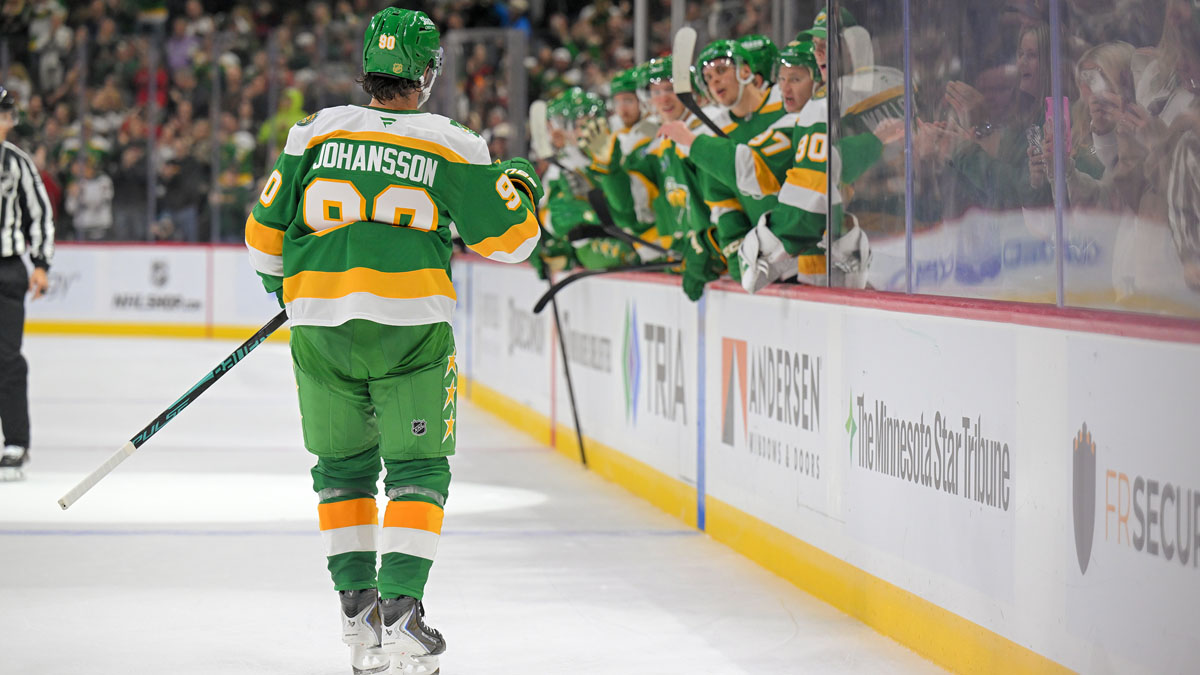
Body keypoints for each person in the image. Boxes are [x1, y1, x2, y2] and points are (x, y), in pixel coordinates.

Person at [243, 9, 542, 675]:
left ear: (368, 68)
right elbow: (515, 241)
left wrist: (287, 293)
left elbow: (262, 241)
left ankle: (358, 619)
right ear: (427, 74)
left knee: (341, 470)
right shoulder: (452, 143)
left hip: (320, 324)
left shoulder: (313, 131)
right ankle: (402, 612)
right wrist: (520, 183)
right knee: (417, 470)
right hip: (410, 326)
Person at [0, 86, 54, 482]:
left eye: (7, 113)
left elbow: (41, 215)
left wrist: (40, 264)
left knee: (7, 358)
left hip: (7, 269)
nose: (6, 119)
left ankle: (16, 443)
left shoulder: (17, 162)